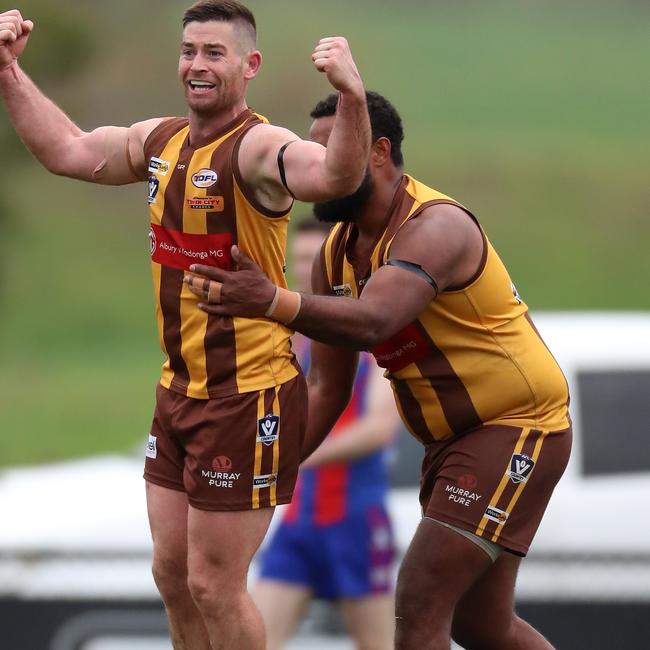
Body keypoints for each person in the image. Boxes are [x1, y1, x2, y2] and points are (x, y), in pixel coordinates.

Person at [0, 4, 370, 649]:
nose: (197, 65)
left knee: (213, 584)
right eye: (189, 51)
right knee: (172, 575)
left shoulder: (258, 147)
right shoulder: (161, 140)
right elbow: (66, 150)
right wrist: (7, 71)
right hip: (178, 392)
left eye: (214, 53)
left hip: (246, 395)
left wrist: (352, 96)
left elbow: (336, 175)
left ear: (249, 66)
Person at [186, 91, 573, 650]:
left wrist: (271, 300)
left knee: (418, 601)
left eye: (329, 148)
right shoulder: (334, 254)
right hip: (449, 443)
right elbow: (328, 388)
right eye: (308, 154)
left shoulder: (436, 226)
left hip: (516, 426)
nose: (313, 169)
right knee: (478, 625)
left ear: (378, 153)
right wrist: (269, 470)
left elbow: (374, 320)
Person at [253, 219, 399, 650]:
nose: (304, 269)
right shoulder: (287, 338)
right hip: (299, 521)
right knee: (254, 638)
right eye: (297, 259)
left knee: (379, 644)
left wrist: (300, 454)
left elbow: (380, 427)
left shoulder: (369, 333)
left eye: (313, 259)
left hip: (354, 519)